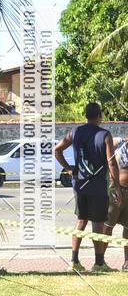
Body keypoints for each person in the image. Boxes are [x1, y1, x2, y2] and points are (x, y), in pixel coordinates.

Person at [55, 102, 120, 273]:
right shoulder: (105, 135)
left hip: (80, 185)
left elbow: (57, 149)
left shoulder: (75, 132)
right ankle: (99, 263)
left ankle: (74, 261)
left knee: (81, 221)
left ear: (85, 115)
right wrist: (117, 188)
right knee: (98, 224)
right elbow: (111, 162)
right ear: (100, 116)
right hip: (98, 186)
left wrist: (69, 168)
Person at [102, 135, 128, 270]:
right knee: (107, 226)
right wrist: (121, 141)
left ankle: (127, 263)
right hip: (116, 191)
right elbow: (107, 145)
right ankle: (100, 260)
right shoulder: (119, 145)